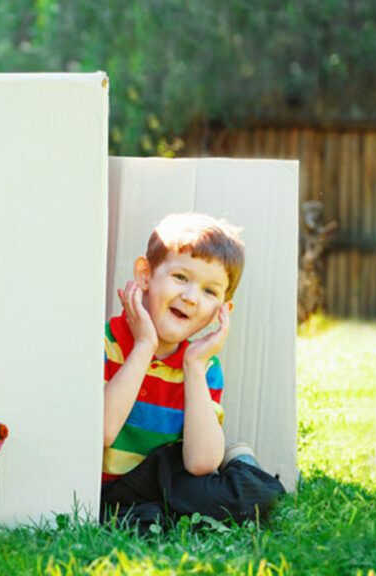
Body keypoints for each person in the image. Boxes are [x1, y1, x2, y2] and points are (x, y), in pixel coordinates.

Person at [102, 213, 284, 533]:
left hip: (168, 475)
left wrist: (195, 367)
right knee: (142, 524)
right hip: (108, 489)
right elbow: (100, 433)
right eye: (181, 277)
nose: (190, 297)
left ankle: (241, 462)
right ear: (145, 274)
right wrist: (144, 346)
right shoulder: (107, 343)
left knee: (251, 499)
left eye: (209, 292)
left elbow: (200, 464)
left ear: (221, 311)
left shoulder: (203, 365)